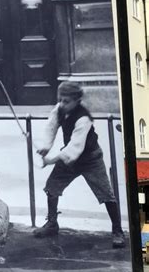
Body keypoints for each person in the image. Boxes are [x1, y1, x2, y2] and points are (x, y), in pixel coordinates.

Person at [33, 81, 125, 248]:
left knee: (106, 194)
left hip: (91, 159)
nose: (62, 104)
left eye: (66, 101)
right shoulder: (60, 109)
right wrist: (46, 146)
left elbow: (74, 149)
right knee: (52, 187)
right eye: (60, 99)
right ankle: (52, 223)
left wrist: (50, 160)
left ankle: (117, 231)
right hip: (69, 159)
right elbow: (51, 126)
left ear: (77, 100)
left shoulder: (83, 118)